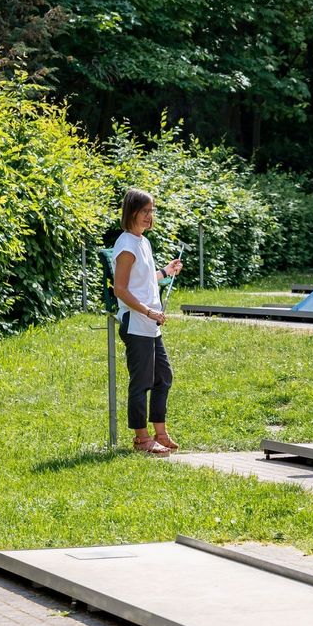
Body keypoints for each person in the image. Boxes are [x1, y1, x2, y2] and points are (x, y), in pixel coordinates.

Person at [112, 188, 183, 456]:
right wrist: (149, 312)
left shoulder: (143, 242)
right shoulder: (127, 245)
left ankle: (160, 433)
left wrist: (166, 271)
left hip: (150, 323)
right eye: (144, 211)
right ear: (131, 212)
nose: (149, 216)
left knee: (163, 377)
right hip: (136, 322)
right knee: (141, 381)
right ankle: (142, 439)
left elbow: (141, 281)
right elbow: (120, 289)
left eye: (151, 211)